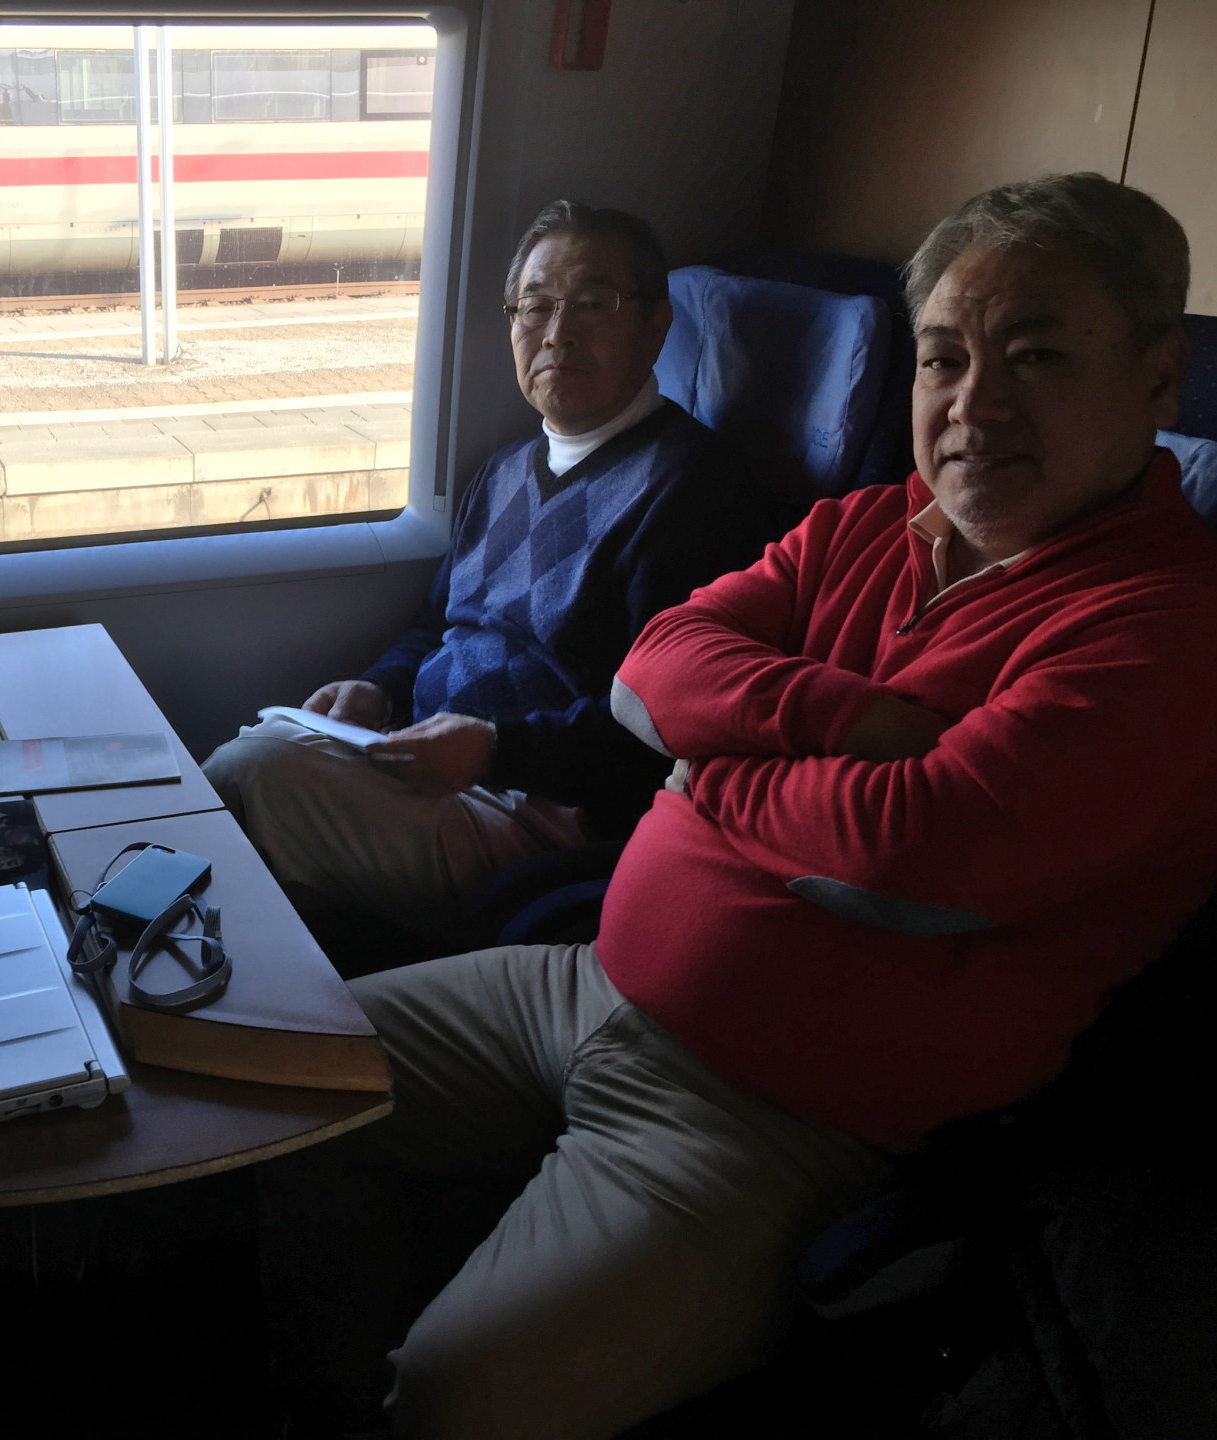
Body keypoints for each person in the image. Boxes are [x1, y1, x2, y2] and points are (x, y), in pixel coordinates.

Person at [262, 172, 1217, 1439]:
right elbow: (654, 669)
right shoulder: (867, 525)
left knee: (455, 1403)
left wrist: (706, 773)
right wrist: (849, 725)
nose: (973, 407)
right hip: (589, 982)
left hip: (778, 1113)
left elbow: (912, 852)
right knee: (261, 1092)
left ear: (1159, 380)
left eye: (1036, 357)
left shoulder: (1167, 630)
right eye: (942, 359)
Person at [203, 202, 784, 929]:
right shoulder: (505, 469)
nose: (557, 333)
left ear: (655, 326)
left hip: (537, 810)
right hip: (430, 759)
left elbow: (664, 722)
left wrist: (494, 751)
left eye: (592, 304)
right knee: (251, 758)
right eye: (535, 307)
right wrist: (379, 689)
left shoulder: (694, 491)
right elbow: (437, 625)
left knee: (248, 776)